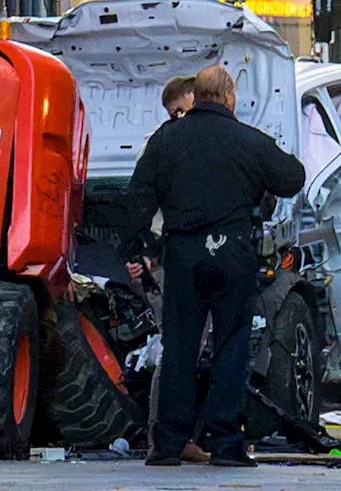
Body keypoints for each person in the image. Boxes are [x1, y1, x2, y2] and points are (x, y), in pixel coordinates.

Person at [122, 65, 305, 467]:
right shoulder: (246, 139)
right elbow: (292, 177)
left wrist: (140, 248)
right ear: (229, 95)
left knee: (179, 350)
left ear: (197, 95)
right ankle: (225, 443)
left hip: (183, 253)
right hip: (232, 253)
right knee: (231, 346)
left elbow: (136, 197)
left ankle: (168, 444)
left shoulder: (165, 139)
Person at [127, 74, 209, 465]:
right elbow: (145, 201)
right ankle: (164, 436)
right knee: (176, 348)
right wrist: (147, 251)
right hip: (166, 259)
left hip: (179, 256)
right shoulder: (165, 145)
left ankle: (173, 433)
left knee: (185, 349)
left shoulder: (177, 141)